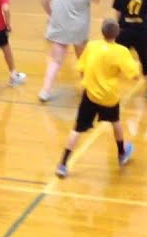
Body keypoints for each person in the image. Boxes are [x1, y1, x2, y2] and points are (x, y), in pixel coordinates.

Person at [56, 19, 140, 178]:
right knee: (115, 122)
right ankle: (122, 154)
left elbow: (81, 68)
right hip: (109, 97)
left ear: (102, 32)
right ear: (117, 33)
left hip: (90, 95)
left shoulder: (92, 46)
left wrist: (85, 83)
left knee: (77, 129)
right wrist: (136, 66)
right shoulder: (121, 51)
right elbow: (134, 75)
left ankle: (62, 164)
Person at [38, 0, 99, 102]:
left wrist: (51, 14)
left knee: (55, 61)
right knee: (83, 59)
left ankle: (45, 91)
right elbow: (97, 0)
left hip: (60, 26)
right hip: (79, 29)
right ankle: (87, 89)